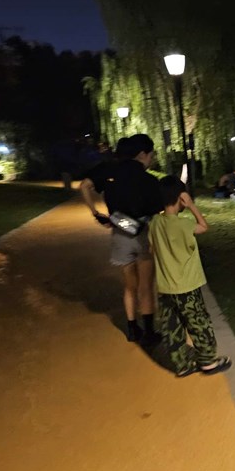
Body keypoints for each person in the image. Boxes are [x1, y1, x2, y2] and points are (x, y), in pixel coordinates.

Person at [79, 134, 164, 344]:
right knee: (146, 285)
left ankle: (132, 329)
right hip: (143, 234)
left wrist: (97, 214)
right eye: (151, 155)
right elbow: (159, 210)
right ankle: (149, 332)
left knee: (129, 285)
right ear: (142, 154)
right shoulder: (149, 180)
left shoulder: (109, 170)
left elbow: (84, 186)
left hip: (120, 233)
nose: (151, 159)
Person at [148, 176, 231, 378]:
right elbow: (203, 226)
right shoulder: (183, 225)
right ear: (181, 198)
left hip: (165, 287)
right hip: (186, 286)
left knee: (172, 326)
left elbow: (151, 249)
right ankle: (208, 362)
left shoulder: (155, 222)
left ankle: (181, 364)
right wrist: (192, 205)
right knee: (199, 323)